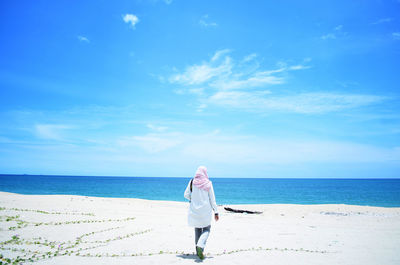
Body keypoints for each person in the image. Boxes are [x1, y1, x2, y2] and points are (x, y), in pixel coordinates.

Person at [184, 166, 219, 260]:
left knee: (197, 229)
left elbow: (186, 194)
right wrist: (216, 212)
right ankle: (200, 246)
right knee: (207, 228)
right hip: (206, 211)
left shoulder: (192, 182)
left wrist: (193, 199)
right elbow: (212, 199)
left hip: (195, 210)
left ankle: (198, 250)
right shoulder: (208, 183)